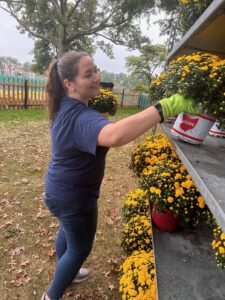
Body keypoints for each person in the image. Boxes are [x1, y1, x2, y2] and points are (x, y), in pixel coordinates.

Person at [41, 51, 199, 300]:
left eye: (95, 70)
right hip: (74, 197)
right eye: (88, 74)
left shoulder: (66, 106)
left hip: (57, 191)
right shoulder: (81, 117)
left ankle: (67, 271)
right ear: (69, 84)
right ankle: (51, 295)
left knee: (68, 233)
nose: (97, 77)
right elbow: (114, 136)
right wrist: (166, 107)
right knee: (80, 247)